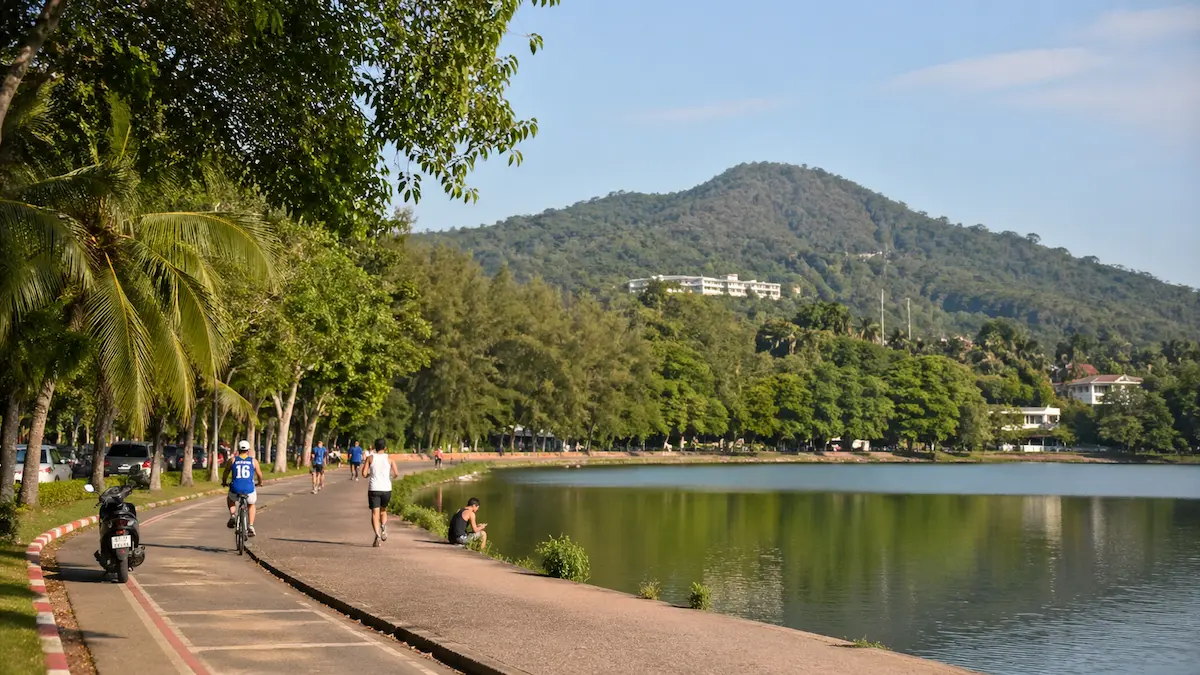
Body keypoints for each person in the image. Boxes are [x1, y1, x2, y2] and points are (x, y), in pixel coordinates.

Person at [222, 440, 263, 536]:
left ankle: (232, 515)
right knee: (251, 504)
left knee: (230, 499)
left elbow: (226, 473)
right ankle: (251, 526)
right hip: (249, 489)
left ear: (238, 450)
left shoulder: (233, 460)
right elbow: (259, 474)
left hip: (235, 488)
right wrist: (260, 483)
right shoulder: (253, 461)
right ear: (248, 450)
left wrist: (224, 482)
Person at [363, 438, 399, 547]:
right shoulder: (390, 459)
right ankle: (383, 526)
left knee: (375, 513)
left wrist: (370, 475)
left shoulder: (370, 458)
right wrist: (389, 477)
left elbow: (364, 474)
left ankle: (377, 536)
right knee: (383, 511)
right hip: (386, 489)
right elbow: (396, 474)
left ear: (374, 447)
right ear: (385, 448)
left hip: (374, 488)